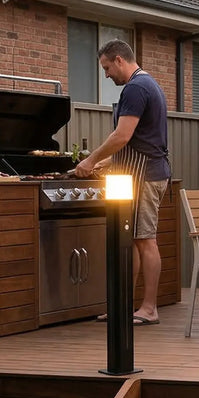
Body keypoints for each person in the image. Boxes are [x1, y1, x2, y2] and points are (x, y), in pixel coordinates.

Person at [75, 39, 171, 326]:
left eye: (106, 68)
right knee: (133, 240)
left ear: (119, 60)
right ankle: (123, 306)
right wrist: (111, 162)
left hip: (146, 174)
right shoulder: (146, 84)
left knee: (145, 240)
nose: (106, 75)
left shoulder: (136, 88)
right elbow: (142, 137)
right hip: (138, 170)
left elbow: (122, 136)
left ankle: (149, 308)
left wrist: (90, 160)